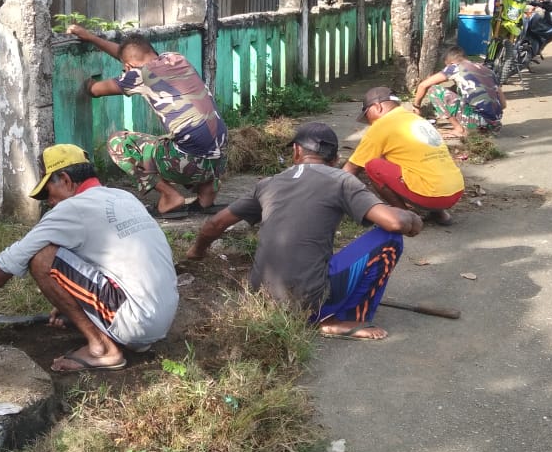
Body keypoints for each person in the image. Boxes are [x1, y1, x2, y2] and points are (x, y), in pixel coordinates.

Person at [0, 144, 178, 372]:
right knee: (62, 254)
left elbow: (6, 264)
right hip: (160, 316)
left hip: (135, 320)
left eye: (49, 193)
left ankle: (101, 348)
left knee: (42, 257)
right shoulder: (123, 197)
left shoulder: (72, 208)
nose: (50, 202)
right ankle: (113, 332)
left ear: (65, 179)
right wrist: (71, 303)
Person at [187, 122, 422, 340]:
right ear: (336, 158)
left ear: (297, 151)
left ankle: (303, 309)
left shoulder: (268, 183)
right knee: (390, 239)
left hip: (262, 297)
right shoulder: (341, 180)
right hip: (307, 300)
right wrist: (412, 217)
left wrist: (196, 253)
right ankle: (343, 318)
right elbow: (394, 223)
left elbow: (214, 224)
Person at [67, 25, 227, 216]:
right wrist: (91, 36)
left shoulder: (138, 75)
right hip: (219, 161)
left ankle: (170, 197)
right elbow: (128, 54)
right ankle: (206, 193)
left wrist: (84, 78)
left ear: (129, 67)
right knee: (185, 139)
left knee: (119, 143)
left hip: (190, 163)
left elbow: (96, 90)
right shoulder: (176, 58)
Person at [343, 86, 465, 227]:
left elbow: (351, 169)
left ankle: (406, 216)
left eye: (367, 115)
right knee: (414, 162)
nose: (369, 122)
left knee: (373, 165)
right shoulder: (417, 120)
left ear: (377, 107)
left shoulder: (382, 125)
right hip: (455, 190)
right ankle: (440, 214)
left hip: (431, 196)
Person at [412, 45, 506, 137]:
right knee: (455, 88)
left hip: (477, 123)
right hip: (495, 126)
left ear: (450, 62)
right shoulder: (488, 71)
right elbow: (503, 105)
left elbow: (423, 85)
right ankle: (478, 127)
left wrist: (416, 107)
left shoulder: (454, 68)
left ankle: (458, 129)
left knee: (434, 90)